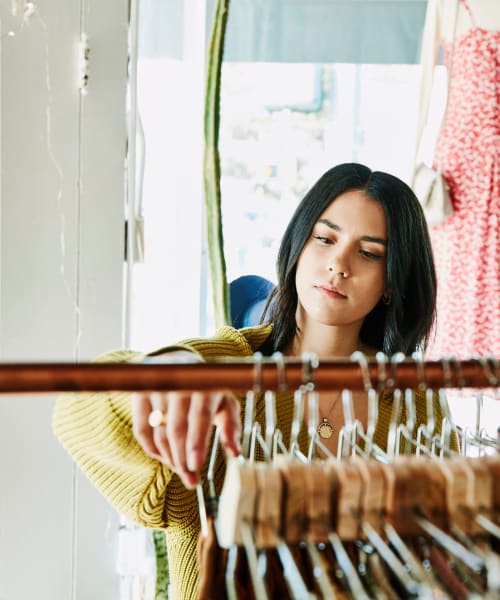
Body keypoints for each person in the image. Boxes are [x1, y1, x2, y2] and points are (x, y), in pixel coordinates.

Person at [53, 162, 454, 600]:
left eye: (369, 252)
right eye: (325, 238)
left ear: (392, 281)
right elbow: (77, 409)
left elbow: (439, 544)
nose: (338, 264)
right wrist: (160, 378)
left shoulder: (415, 399)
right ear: (299, 245)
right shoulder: (226, 367)